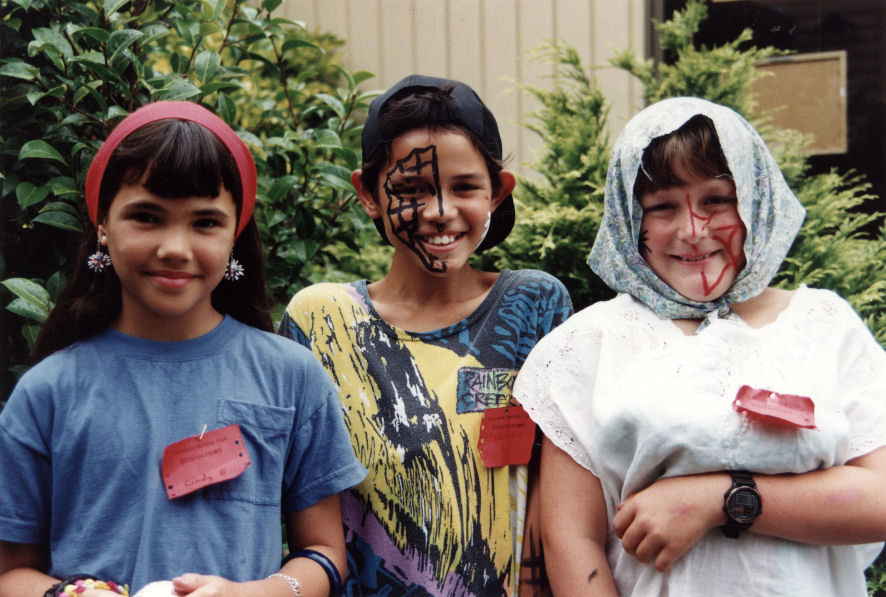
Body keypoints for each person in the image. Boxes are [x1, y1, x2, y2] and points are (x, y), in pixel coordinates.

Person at [513, 97, 886, 596]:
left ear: (755, 199)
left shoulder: (825, 323)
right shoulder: (586, 345)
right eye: (663, 206)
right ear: (629, 221)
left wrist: (721, 499)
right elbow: (569, 539)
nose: (693, 230)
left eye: (716, 199)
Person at [0, 101, 366, 597]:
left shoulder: (291, 377)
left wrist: (249, 594)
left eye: (205, 222)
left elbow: (324, 554)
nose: (176, 247)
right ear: (103, 225)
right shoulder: (47, 393)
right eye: (147, 217)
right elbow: (11, 571)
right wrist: (68, 594)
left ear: (235, 233)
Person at [278, 75, 573, 596]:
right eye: (411, 189)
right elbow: (302, 508)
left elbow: (560, 493)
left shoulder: (535, 305)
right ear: (368, 193)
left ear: (498, 191)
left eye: (464, 187)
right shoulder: (321, 320)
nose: (440, 212)